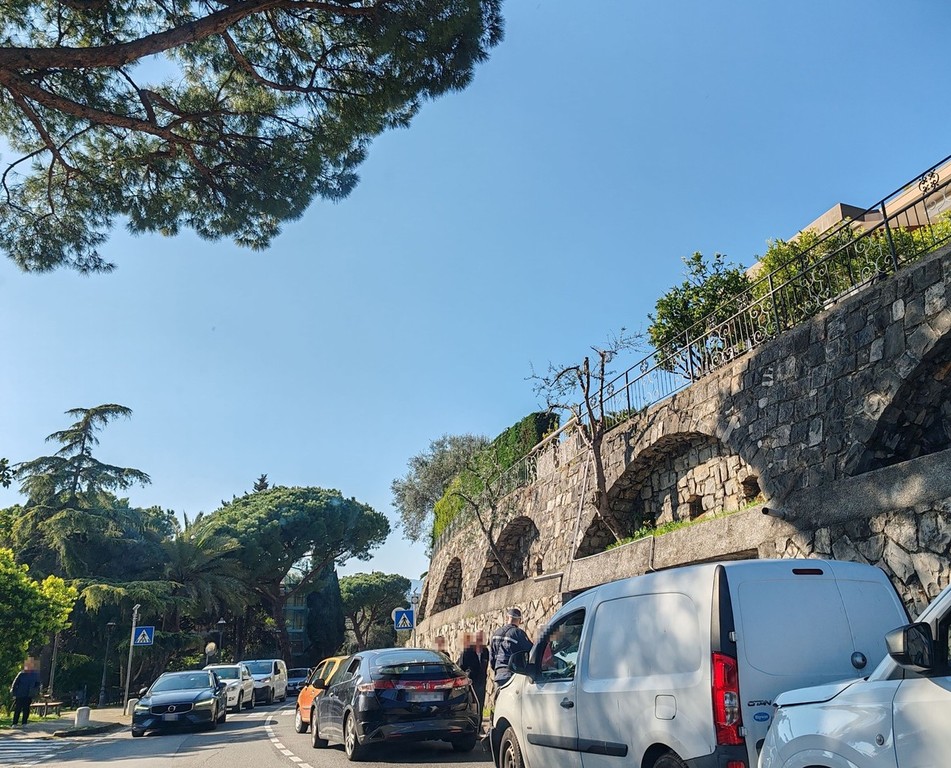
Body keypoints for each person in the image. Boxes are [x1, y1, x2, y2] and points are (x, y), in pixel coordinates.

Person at [489, 607, 533, 694]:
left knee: (500, 700)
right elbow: (531, 651)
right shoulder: (518, 633)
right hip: (512, 675)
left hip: (498, 675)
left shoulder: (496, 633)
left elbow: (492, 658)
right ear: (520, 620)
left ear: (506, 618)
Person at [457, 630, 489, 731]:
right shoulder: (467, 652)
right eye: (478, 638)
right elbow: (460, 668)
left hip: (481, 683)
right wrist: (467, 676)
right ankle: (471, 729)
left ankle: (479, 728)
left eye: (481, 638)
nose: (479, 640)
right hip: (470, 684)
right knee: (472, 707)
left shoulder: (485, 651)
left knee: (480, 706)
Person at [10, 658, 41, 728]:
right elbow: (15, 683)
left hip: (29, 694)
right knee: (18, 709)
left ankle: (24, 723)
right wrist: (13, 692)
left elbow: (37, 684)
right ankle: (14, 723)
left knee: (26, 709)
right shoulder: (21, 674)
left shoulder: (35, 675)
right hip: (20, 694)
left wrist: (35, 691)